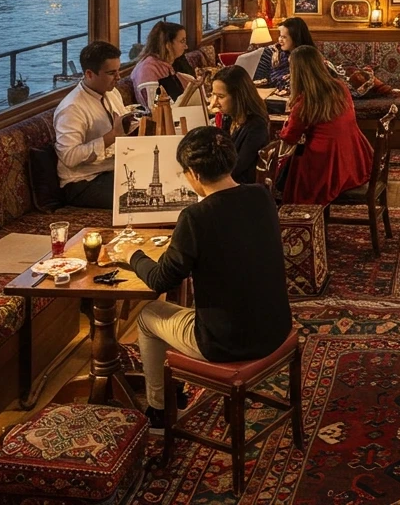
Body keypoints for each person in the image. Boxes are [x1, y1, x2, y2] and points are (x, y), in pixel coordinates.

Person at [106, 126, 292, 428]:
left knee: (148, 315)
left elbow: (160, 281)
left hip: (227, 342)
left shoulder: (196, 216)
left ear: (192, 172)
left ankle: (158, 410)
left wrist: (131, 255)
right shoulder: (261, 195)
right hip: (276, 325)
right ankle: (173, 389)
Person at [277, 45, 372, 204]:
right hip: (352, 158)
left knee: (285, 167)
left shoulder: (305, 102)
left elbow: (289, 137)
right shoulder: (339, 87)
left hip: (325, 166)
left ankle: (286, 210)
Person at [53, 41, 130, 209]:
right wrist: (112, 136)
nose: (118, 77)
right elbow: (69, 157)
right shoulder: (72, 108)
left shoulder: (112, 93)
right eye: (111, 73)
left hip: (111, 169)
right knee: (137, 197)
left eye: (119, 70)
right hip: (82, 182)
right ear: (89, 74)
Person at [208, 65, 270, 185]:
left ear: (238, 96)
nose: (214, 103)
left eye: (220, 97)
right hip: (229, 183)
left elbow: (236, 168)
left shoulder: (256, 126)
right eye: (213, 95)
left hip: (243, 189)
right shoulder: (229, 117)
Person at [131, 21, 194, 108]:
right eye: (182, 41)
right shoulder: (148, 69)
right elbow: (156, 108)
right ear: (167, 45)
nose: (186, 46)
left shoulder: (167, 64)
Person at [253, 17, 315, 89]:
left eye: (284, 37)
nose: (280, 40)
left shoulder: (310, 58)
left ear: (296, 38)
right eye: (280, 36)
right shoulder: (273, 53)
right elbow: (260, 80)